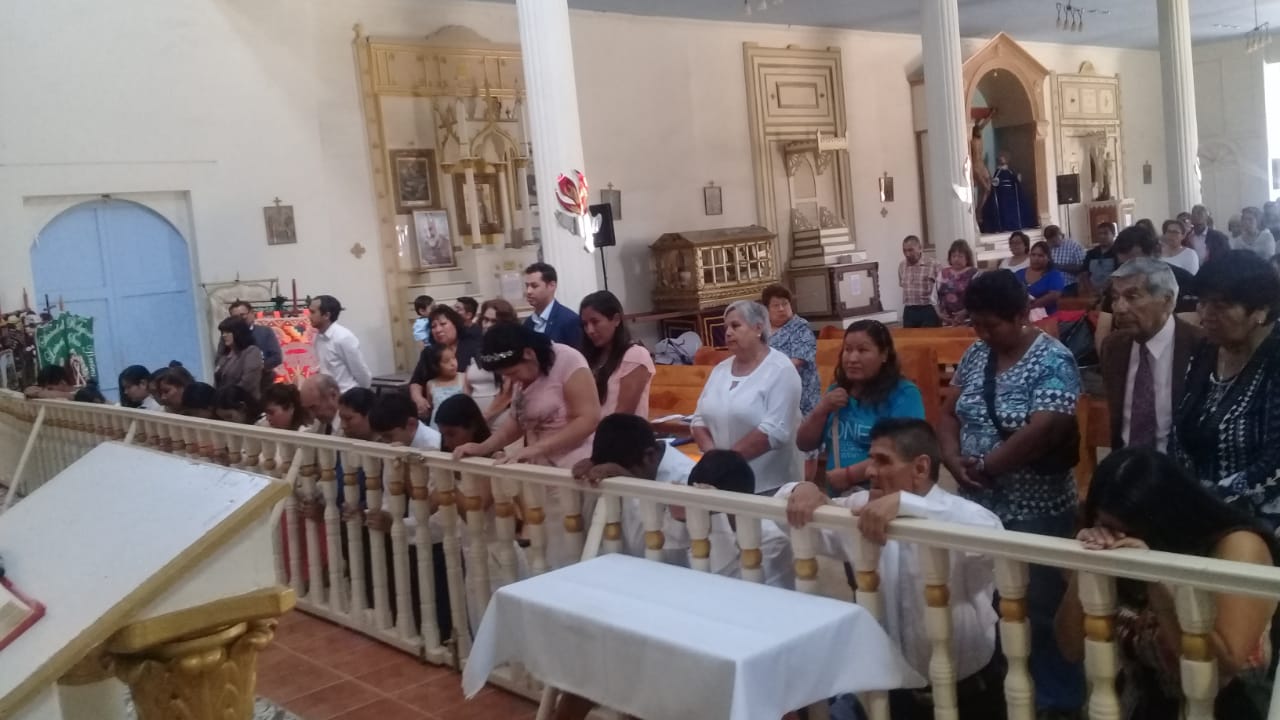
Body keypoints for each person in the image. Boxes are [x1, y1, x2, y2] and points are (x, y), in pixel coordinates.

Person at [782, 419, 1004, 720]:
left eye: (883, 461)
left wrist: (908, 504)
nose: (870, 471)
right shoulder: (863, 507)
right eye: (870, 459)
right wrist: (803, 488)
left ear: (920, 468)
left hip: (971, 695)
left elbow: (992, 534)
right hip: (898, 693)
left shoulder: (959, 513)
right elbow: (785, 518)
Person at [938, 268, 1085, 716]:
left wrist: (988, 465)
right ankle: (1006, 689)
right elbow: (949, 412)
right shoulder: (976, 354)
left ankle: (1055, 701)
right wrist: (952, 459)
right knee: (991, 602)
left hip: (1036, 509)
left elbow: (1045, 428)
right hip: (979, 506)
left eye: (991, 325)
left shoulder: (1053, 359)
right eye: (976, 324)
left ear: (1022, 315)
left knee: (1039, 606)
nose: (982, 334)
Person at [1055, 449, 1280, 720]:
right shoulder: (1114, 545)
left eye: (1127, 530)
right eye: (1105, 526)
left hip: (1226, 707)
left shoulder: (1238, 546)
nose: (1116, 538)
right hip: (1144, 705)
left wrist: (1160, 584)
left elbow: (1220, 673)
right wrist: (1087, 563)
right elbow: (1071, 648)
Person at [453, 323, 601, 567]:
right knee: (549, 548)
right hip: (541, 472)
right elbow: (517, 421)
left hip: (574, 468)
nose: (511, 380)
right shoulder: (523, 375)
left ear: (529, 354)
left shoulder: (568, 361)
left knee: (570, 551)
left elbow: (588, 418)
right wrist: (483, 447)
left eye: (512, 372)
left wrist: (536, 448)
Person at [1171, 250, 1280, 529]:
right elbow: (1180, 430)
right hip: (1199, 510)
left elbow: (1274, 464)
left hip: (1262, 518)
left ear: (1260, 311)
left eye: (1219, 305)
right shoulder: (1206, 351)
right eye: (1202, 302)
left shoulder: (1275, 360)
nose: (1205, 315)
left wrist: (1203, 502)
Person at [796, 320, 925, 493]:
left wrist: (849, 475)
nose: (852, 358)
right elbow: (804, 444)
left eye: (863, 350)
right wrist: (822, 409)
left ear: (884, 354)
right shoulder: (837, 391)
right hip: (840, 498)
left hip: (883, 495)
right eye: (847, 350)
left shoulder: (904, 394)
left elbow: (904, 451)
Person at [690, 301, 803, 495]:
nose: (728, 333)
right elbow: (698, 420)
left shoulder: (781, 369)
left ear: (758, 328)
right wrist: (713, 458)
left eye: (735, 326)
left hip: (767, 484)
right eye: (726, 327)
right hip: (721, 481)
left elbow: (774, 431)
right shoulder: (720, 370)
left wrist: (724, 464)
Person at [1100, 258, 1202, 452]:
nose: (1119, 308)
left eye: (1132, 297)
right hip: (1127, 462)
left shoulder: (1201, 347)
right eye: (1115, 298)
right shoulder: (1113, 347)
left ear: (1167, 300)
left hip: (1180, 465)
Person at [571, 413, 695, 562]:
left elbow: (672, 556)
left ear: (650, 456)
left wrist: (633, 489)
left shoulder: (688, 479)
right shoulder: (628, 459)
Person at [685, 450, 794, 588]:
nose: (700, 514)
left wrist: (717, 519)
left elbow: (720, 586)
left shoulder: (774, 540)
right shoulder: (697, 527)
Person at [580, 290, 654, 417]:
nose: (589, 330)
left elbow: (623, 414)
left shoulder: (635, 355)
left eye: (595, 322)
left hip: (619, 428)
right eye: (585, 324)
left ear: (616, 319)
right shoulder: (592, 357)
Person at [409, 305, 481, 421]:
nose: (438, 330)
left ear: (455, 324)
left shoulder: (473, 347)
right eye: (433, 326)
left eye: (443, 324)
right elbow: (416, 381)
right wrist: (418, 399)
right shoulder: (429, 352)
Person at [761, 284, 820, 416]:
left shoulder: (800, 327)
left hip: (799, 394)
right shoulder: (761, 330)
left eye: (785, 304)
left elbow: (798, 360)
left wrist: (765, 373)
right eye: (776, 305)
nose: (781, 309)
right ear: (766, 310)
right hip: (769, 392)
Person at [309, 295, 373, 392]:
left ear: (326, 315)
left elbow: (360, 372)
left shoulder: (343, 337)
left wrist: (361, 395)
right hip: (329, 395)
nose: (309, 316)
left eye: (313, 312)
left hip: (347, 395)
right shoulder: (318, 337)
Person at [471, 300, 517, 424]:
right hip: (476, 421)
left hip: (502, 418)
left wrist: (484, 417)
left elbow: (508, 393)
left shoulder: (511, 351)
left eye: (494, 321)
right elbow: (468, 385)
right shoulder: (478, 348)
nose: (487, 325)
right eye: (485, 320)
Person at [523, 262, 583, 347]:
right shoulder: (528, 323)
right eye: (527, 286)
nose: (528, 291)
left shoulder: (569, 320)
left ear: (552, 286)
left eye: (534, 286)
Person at [368, 392, 442, 449]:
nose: (385, 443)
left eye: (389, 436)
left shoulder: (435, 446)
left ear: (411, 424)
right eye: (381, 437)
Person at [228, 301, 282, 378]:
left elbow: (276, 357)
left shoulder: (265, 332)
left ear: (252, 313)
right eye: (235, 317)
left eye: (242, 315)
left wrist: (257, 367)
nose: (239, 319)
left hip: (263, 378)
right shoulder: (228, 334)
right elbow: (221, 358)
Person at [214, 317, 264, 400]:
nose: (224, 335)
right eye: (222, 332)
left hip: (244, 402)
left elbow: (248, 382)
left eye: (228, 332)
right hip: (223, 402)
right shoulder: (224, 355)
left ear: (238, 333)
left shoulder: (251, 351)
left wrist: (228, 396)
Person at [898, 235, 941, 328]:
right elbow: (902, 284)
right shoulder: (902, 265)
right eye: (904, 250)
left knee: (929, 337)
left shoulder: (934, 265)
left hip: (928, 309)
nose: (907, 254)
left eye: (910, 250)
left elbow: (941, 290)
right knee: (909, 337)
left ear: (920, 248)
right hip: (909, 310)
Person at [422, 344, 468, 430]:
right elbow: (431, 409)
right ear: (435, 366)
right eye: (446, 361)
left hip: (459, 426)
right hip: (437, 428)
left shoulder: (464, 378)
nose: (453, 363)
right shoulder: (431, 384)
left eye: (454, 358)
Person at [1016, 241, 1067, 316]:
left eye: (1040, 256)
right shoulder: (1019, 273)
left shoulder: (1054, 274)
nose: (1036, 258)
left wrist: (1031, 306)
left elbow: (1054, 295)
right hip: (1021, 316)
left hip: (1048, 318)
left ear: (1048, 258)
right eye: (1033, 255)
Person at [936, 240, 978, 327]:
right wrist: (939, 313)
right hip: (947, 322)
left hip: (968, 322)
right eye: (954, 256)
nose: (956, 259)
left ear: (967, 257)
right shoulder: (943, 273)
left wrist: (966, 311)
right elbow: (934, 298)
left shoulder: (974, 274)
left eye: (960, 256)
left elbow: (980, 298)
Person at [1044, 224, 1085, 294]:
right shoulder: (1046, 247)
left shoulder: (1074, 246)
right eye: (1050, 239)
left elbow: (1081, 268)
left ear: (1061, 235)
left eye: (1055, 238)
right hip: (1049, 285)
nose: (1053, 241)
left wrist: (1059, 267)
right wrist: (1048, 250)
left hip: (1068, 284)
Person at [1079, 222, 1117, 297]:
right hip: (1093, 293)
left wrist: (1103, 289)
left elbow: (1118, 275)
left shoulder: (1118, 252)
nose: (1102, 236)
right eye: (1100, 234)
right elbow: (1084, 273)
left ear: (1113, 234)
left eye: (1105, 233)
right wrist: (1090, 290)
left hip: (1113, 293)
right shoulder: (1091, 253)